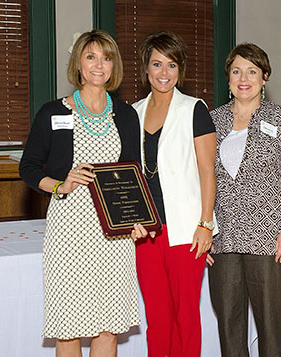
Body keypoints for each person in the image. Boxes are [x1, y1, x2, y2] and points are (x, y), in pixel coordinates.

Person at [19, 30, 141, 357]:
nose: (98, 65)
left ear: (114, 65)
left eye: (106, 57)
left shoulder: (127, 115)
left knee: (108, 326)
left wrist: (137, 220)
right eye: (91, 57)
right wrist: (60, 185)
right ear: (78, 64)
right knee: (69, 327)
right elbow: (28, 168)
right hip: (69, 231)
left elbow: (134, 176)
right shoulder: (53, 113)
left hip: (114, 236)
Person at [208, 43, 281, 356]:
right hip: (222, 238)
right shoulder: (212, 121)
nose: (244, 78)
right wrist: (204, 229)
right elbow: (201, 178)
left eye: (252, 71)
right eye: (236, 71)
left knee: (271, 326)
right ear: (228, 78)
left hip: (269, 240)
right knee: (229, 324)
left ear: (264, 77)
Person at [130, 31, 216, 357]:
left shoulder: (194, 109)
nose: (163, 73)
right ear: (146, 69)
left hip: (186, 231)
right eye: (157, 64)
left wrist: (206, 224)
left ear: (180, 69)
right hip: (146, 231)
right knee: (157, 318)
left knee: (186, 317)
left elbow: (208, 172)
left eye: (171, 64)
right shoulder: (132, 113)